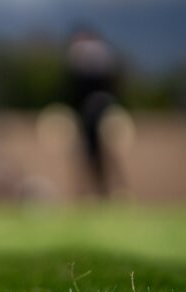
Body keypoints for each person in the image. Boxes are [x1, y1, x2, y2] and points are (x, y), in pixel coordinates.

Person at [64, 27, 120, 197]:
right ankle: (96, 189)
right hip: (95, 109)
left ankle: (103, 189)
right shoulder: (97, 52)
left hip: (96, 109)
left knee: (95, 151)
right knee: (91, 152)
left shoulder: (87, 53)